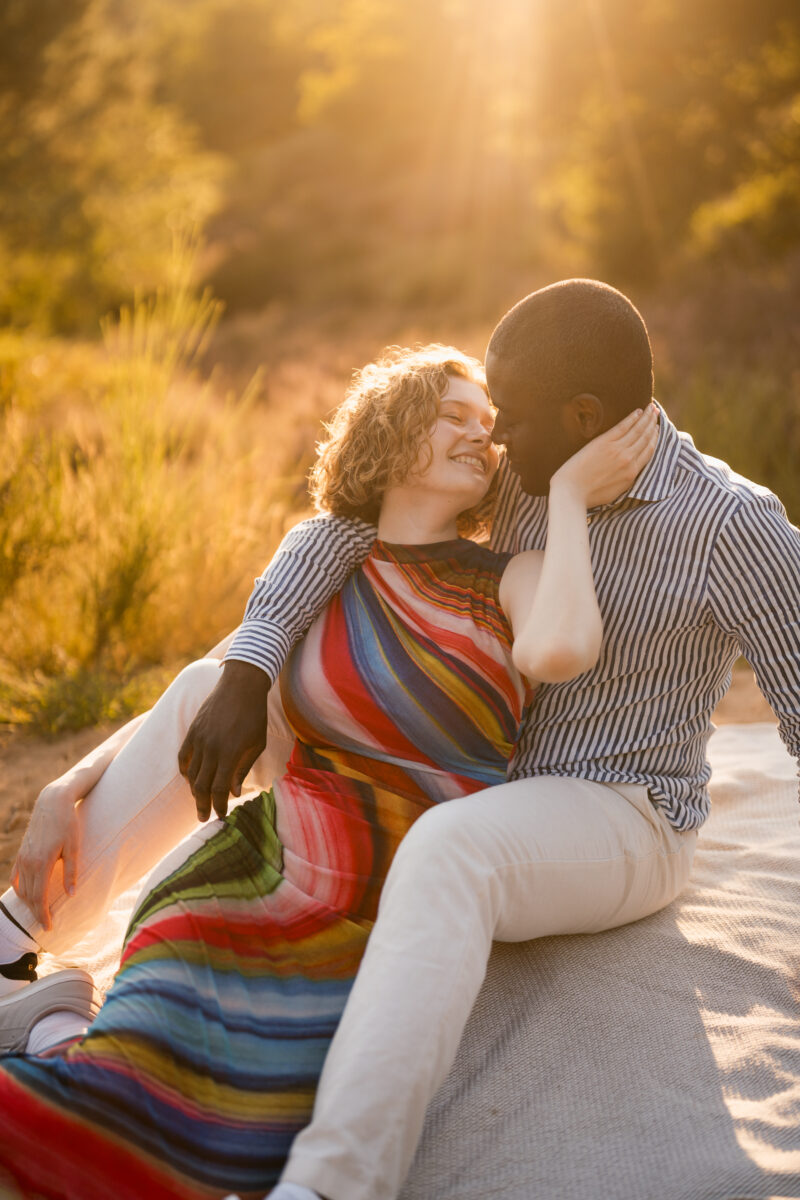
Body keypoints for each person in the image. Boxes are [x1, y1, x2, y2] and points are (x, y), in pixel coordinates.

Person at [0, 342, 655, 1199]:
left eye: (489, 426)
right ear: (391, 432)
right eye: (454, 414)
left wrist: (566, 497)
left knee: (231, 1122)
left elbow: (564, 647)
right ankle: (42, 993)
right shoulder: (323, 565)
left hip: (400, 895)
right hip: (262, 863)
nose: (480, 435)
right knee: (130, 1064)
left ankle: (48, 1024)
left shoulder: (509, 579)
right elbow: (205, 689)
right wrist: (65, 785)